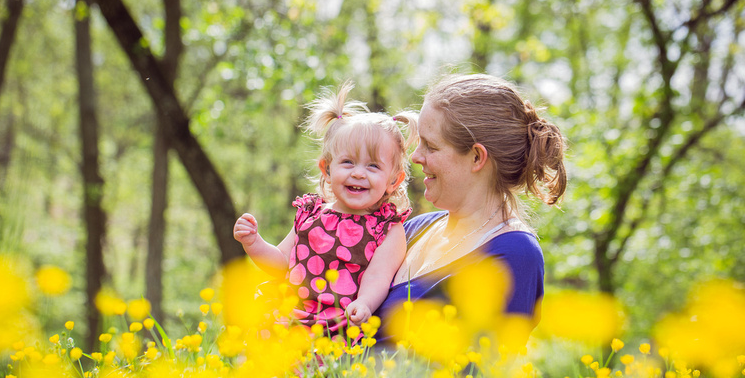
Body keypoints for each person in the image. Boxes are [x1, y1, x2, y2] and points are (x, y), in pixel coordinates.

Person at [374, 73, 567, 340]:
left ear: (477, 157)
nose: (416, 156)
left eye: (430, 146)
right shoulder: (413, 229)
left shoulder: (514, 255)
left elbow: (484, 374)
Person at [233, 81, 416, 336]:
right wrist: (253, 243)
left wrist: (364, 304)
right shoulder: (311, 213)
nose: (359, 173)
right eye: (348, 162)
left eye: (373, 166)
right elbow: (281, 263)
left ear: (393, 180)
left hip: (337, 325)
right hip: (287, 316)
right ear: (327, 169)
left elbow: (378, 278)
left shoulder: (386, 228)